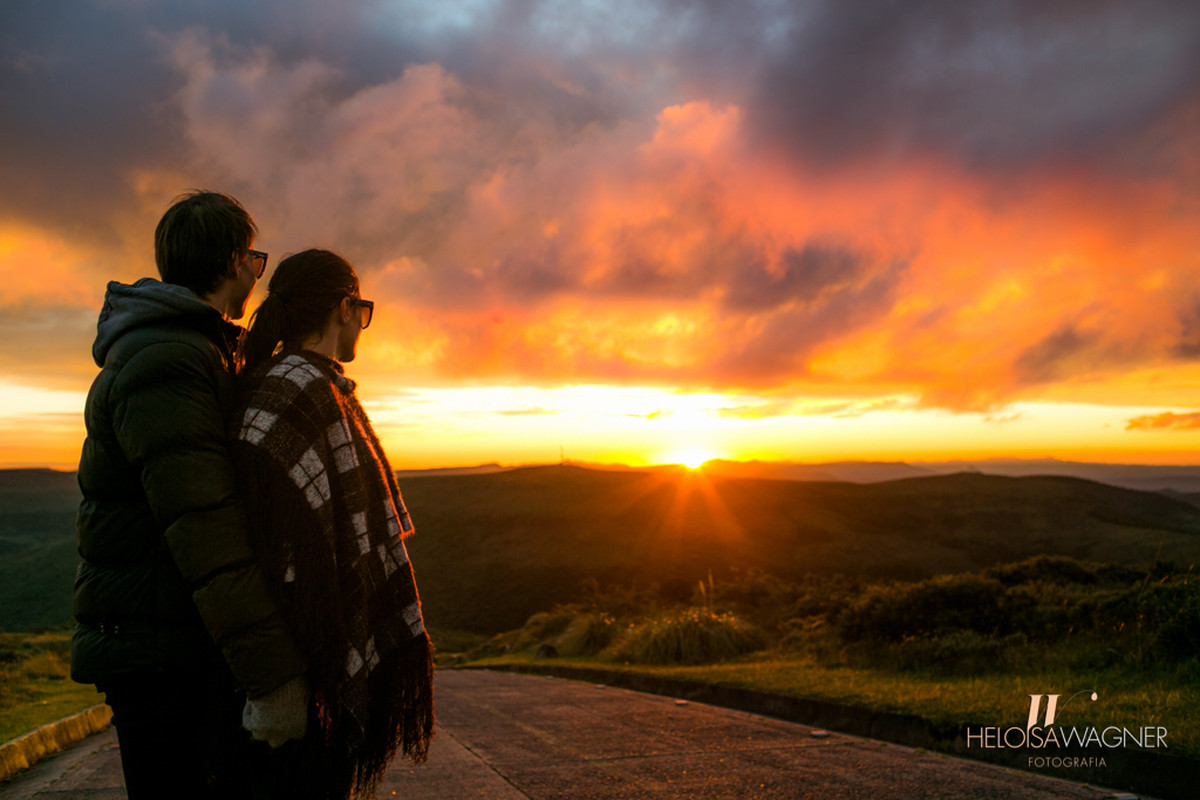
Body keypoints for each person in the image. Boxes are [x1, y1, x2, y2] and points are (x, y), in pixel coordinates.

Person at [72, 191, 310, 799]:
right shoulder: (171, 359)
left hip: (169, 643)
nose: (257, 275)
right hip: (159, 656)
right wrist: (271, 674)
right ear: (235, 262)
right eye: (255, 260)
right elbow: (205, 527)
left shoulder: (186, 348)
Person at [231, 249, 434, 799]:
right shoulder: (303, 392)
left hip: (299, 661)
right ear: (345, 308)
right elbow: (287, 552)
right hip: (305, 666)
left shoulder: (297, 385)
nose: (361, 325)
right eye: (362, 311)